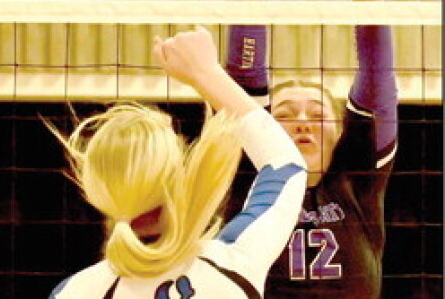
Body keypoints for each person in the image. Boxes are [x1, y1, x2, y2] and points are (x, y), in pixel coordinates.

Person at [204, 0, 402, 297]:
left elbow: (378, 76)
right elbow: (243, 76)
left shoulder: (357, 182)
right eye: (286, 114)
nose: (302, 121)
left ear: (339, 134)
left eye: (316, 113)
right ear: (265, 129)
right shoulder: (247, 179)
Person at [48, 26, 307, 298]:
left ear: (98, 192)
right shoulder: (233, 263)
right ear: (177, 183)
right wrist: (206, 73)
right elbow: (284, 162)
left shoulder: (75, 291)